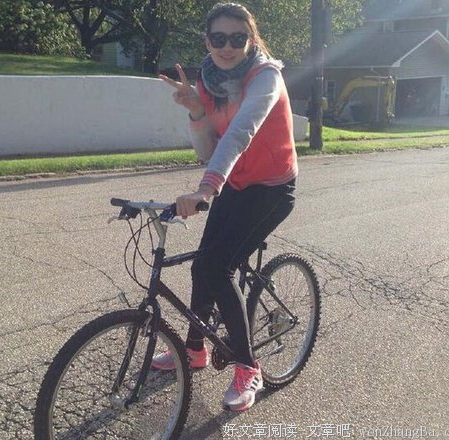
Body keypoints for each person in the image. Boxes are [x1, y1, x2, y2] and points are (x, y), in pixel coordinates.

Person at [152, 2, 298, 412]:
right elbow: (207, 150)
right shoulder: (209, 82)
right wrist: (197, 112)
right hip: (235, 182)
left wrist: (206, 189)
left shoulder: (265, 76)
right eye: (219, 38)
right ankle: (194, 350)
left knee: (218, 267)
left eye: (238, 38)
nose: (227, 47)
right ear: (207, 41)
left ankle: (248, 366)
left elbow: (240, 133)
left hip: (272, 188)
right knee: (203, 265)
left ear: (250, 40)